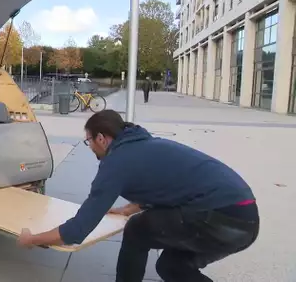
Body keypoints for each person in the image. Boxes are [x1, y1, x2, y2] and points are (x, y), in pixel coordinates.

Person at [17, 110, 259, 282]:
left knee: (138, 230)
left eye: (88, 140)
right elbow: (166, 185)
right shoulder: (145, 145)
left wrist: (33, 239)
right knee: (171, 267)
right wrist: (129, 208)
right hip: (245, 219)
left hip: (219, 216)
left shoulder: (116, 162)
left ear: (102, 138)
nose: (90, 146)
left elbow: (77, 230)